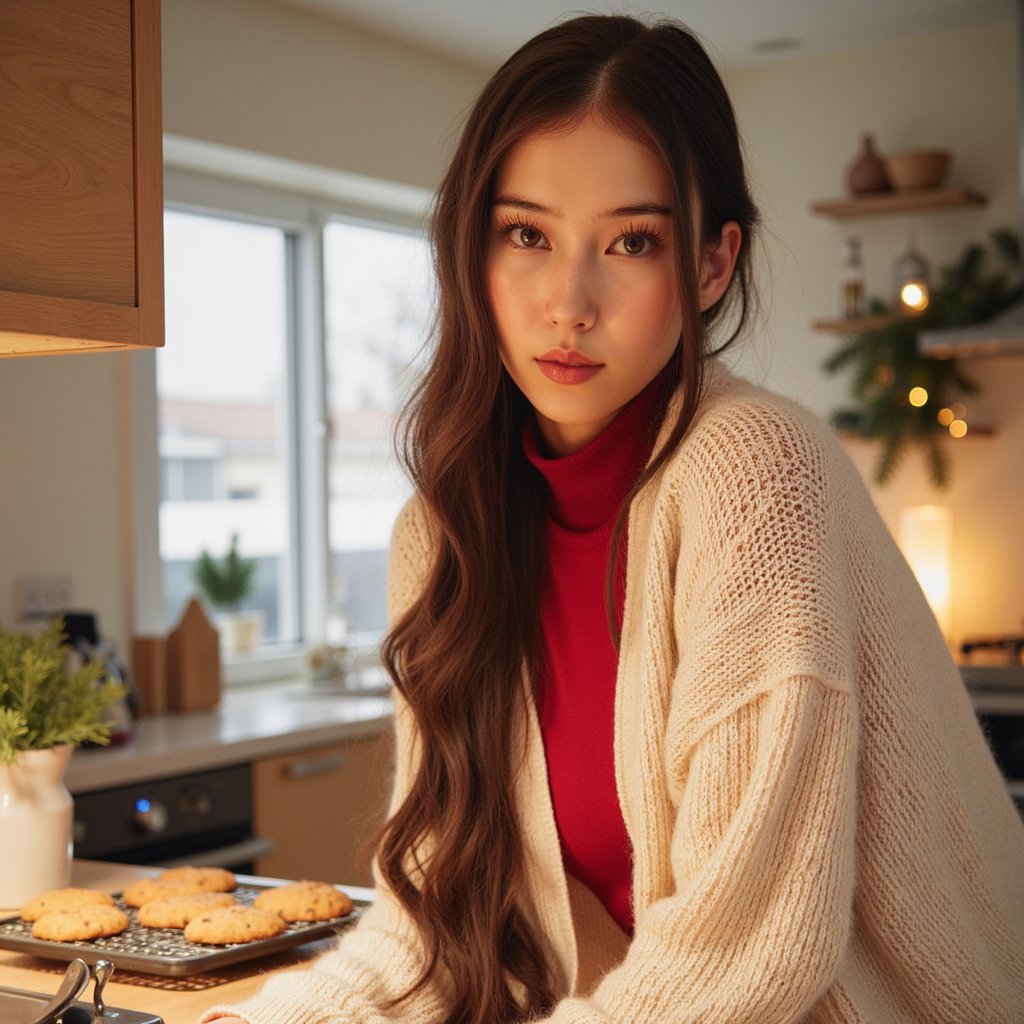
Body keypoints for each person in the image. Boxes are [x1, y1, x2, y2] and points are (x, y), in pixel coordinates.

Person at [201, 14, 1024, 1024]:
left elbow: (744, 953)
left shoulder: (756, 473)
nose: (568, 302)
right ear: (472, 247)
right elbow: (431, 925)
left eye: (631, 242)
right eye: (526, 235)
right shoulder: (445, 526)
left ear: (713, 265)